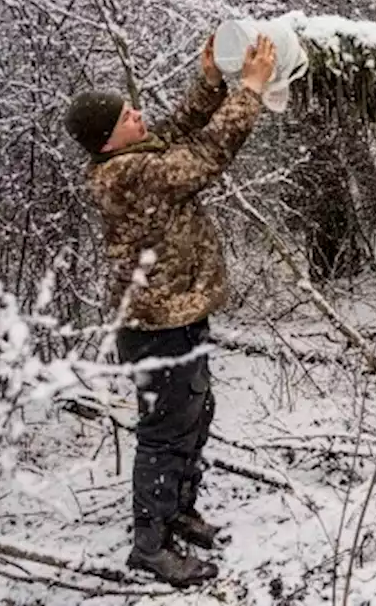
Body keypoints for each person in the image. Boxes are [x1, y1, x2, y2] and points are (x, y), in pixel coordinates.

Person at [64, 34, 277, 585]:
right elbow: (205, 154)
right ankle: (151, 546)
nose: (137, 111)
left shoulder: (134, 155)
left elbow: (177, 132)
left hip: (180, 313)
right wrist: (250, 89)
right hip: (157, 326)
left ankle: (179, 511)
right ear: (108, 140)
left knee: (194, 413)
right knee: (165, 432)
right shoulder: (127, 176)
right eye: (125, 114)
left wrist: (210, 83)